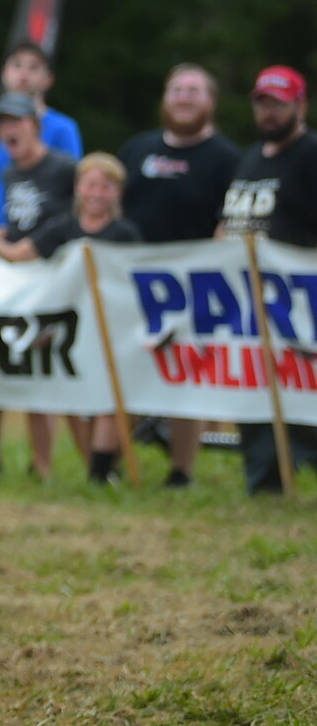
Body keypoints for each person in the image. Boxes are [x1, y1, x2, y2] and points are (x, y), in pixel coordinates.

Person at [115, 64, 237, 487]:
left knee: (188, 376)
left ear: (210, 102)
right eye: (177, 90)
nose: (184, 97)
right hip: (132, 281)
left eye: (195, 91)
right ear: (165, 99)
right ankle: (110, 461)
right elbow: (112, 208)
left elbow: (231, 220)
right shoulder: (137, 149)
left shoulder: (227, 158)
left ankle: (181, 470)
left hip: (194, 284)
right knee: (126, 367)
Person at [3, 152, 141, 484]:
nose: (96, 192)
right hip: (71, 330)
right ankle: (95, 466)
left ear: (117, 192)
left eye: (105, 186)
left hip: (113, 328)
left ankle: (106, 466)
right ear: (78, 188)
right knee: (75, 398)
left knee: (113, 398)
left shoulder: (125, 233)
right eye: (90, 184)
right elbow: (20, 256)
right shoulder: (63, 226)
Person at [220, 66, 317, 495]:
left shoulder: (311, 154)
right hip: (246, 297)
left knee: (300, 386)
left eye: (278, 104)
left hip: (297, 297)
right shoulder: (250, 157)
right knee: (255, 383)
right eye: (262, 103)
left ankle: (297, 465)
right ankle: (264, 480)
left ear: (301, 105)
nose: (269, 112)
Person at [0, 94, 78, 480]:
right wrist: (4, 234)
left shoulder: (66, 168)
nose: (8, 130)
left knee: (40, 372)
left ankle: (44, 465)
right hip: (16, 281)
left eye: (15, 122)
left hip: (53, 281)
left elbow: (73, 222)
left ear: (35, 126)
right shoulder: (9, 173)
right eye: (1, 124)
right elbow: (22, 224)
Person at [0, 43, 81, 245]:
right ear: (3, 73)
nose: (24, 74)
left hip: (43, 244)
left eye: (33, 68)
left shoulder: (63, 129)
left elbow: (77, 192)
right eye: (17, 65)